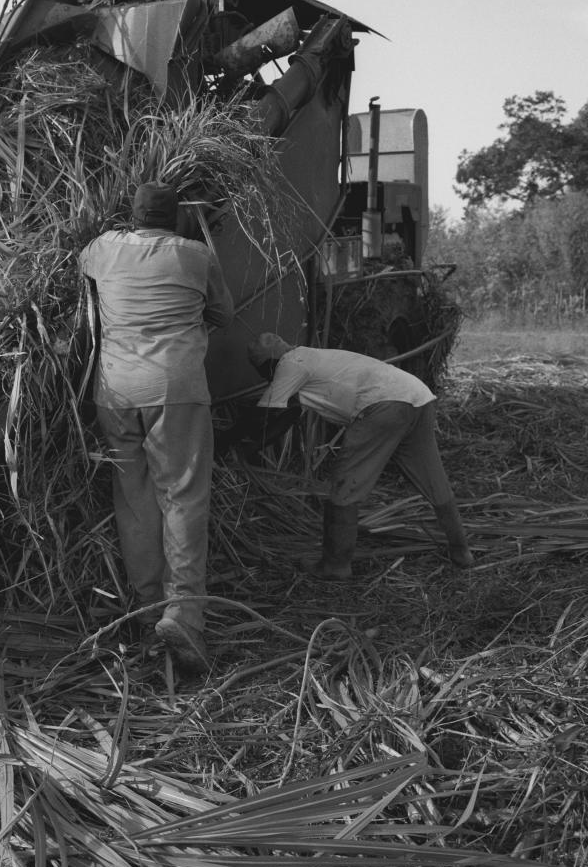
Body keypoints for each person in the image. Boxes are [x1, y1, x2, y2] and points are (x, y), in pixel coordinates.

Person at [80, 183, 234, 672]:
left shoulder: (101, 248)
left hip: (115, 391)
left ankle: (146, 607)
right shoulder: (196, 255)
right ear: (176, 218)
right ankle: (184, 615)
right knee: (184, 494)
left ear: (132, 215)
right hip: (176, 388)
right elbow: (223, 314)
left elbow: (82, 275)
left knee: (133, 495)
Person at [246, 332, 473, 579]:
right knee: (432, 477)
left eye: (263, 373)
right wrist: (251, 448)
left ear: (269, 365)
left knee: (345, 485)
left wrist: (227, 440)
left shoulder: (290, 363)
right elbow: (286, 417)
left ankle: (335, 565)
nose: (267, 379)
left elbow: (265, 415)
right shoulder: (312, 358)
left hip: (382, 404)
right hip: (418, 397)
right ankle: (461, 551)